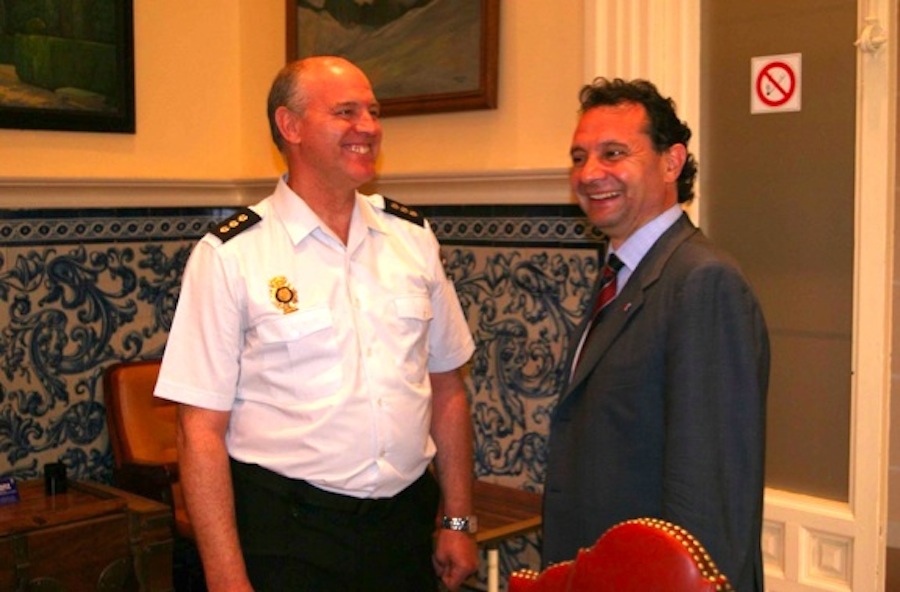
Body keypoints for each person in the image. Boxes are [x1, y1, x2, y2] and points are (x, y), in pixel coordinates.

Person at [154, 56, 479, 592]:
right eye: (346, 112)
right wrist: (227, 579)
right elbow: (199, 431)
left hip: (403, 528)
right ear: (290, 125)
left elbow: (447, 387)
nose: (368, 127)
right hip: (290, 534)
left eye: (373, 112)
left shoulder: (412, 238)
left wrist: (458, 518)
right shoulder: (232, 255)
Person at [542, 77, 769, 592]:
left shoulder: (703, 282)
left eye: (613, 153)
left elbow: (710, 493)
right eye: (579, 157)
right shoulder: (621, 274)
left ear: (672, 162)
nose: (589, 173)